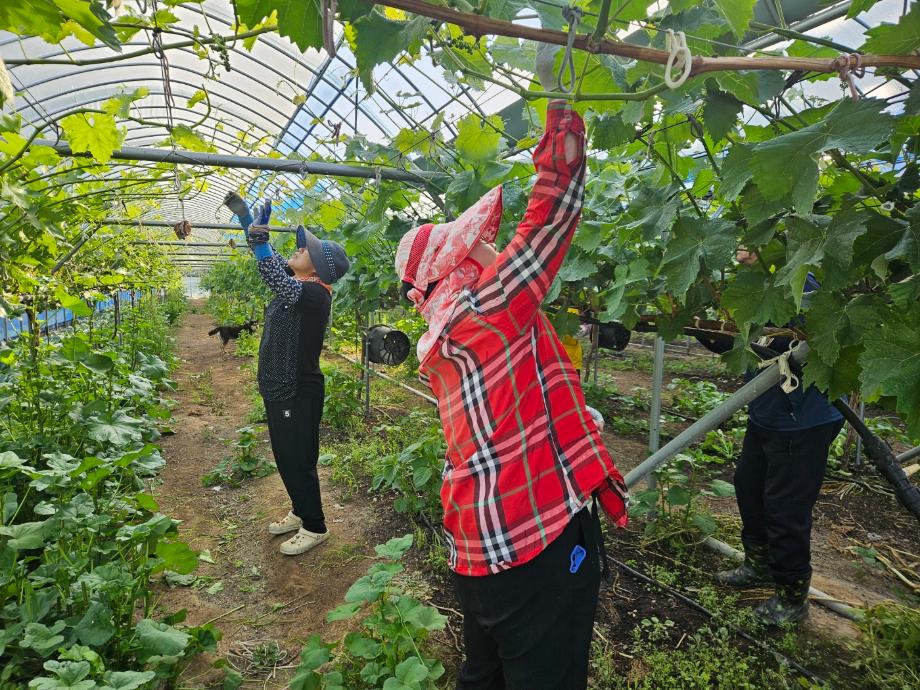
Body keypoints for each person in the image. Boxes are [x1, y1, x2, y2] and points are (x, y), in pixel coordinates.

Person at [393, 45, 627, 690]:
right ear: (462, 266)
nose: (493, 246)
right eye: (479, 243)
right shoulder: (491, 307)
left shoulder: (445, 341)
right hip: (533, 538)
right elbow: (553, 210)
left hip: (475, 543)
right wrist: (560, 105)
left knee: (484, 673)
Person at [715, 248, 844, 625]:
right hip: (768, 411)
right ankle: (758, 566)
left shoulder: (808, 276)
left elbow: (812, 324)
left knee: (785, 508)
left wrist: (765, 268)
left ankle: (792, 597)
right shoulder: (762, 282)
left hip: (804, 418)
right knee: (748, 486)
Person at [224, 192, 350, 556]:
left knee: (298, 459)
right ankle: (300, 510)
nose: (296, 250)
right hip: (280, 387)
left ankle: (315, 525)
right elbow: (270, 262)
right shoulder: (302, 286)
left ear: (319, 268)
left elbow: (273, 274)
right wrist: (248, 222)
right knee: (285, 455)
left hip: (298, 390)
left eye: (304, 249)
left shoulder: (315, 296)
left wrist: (260, 242)